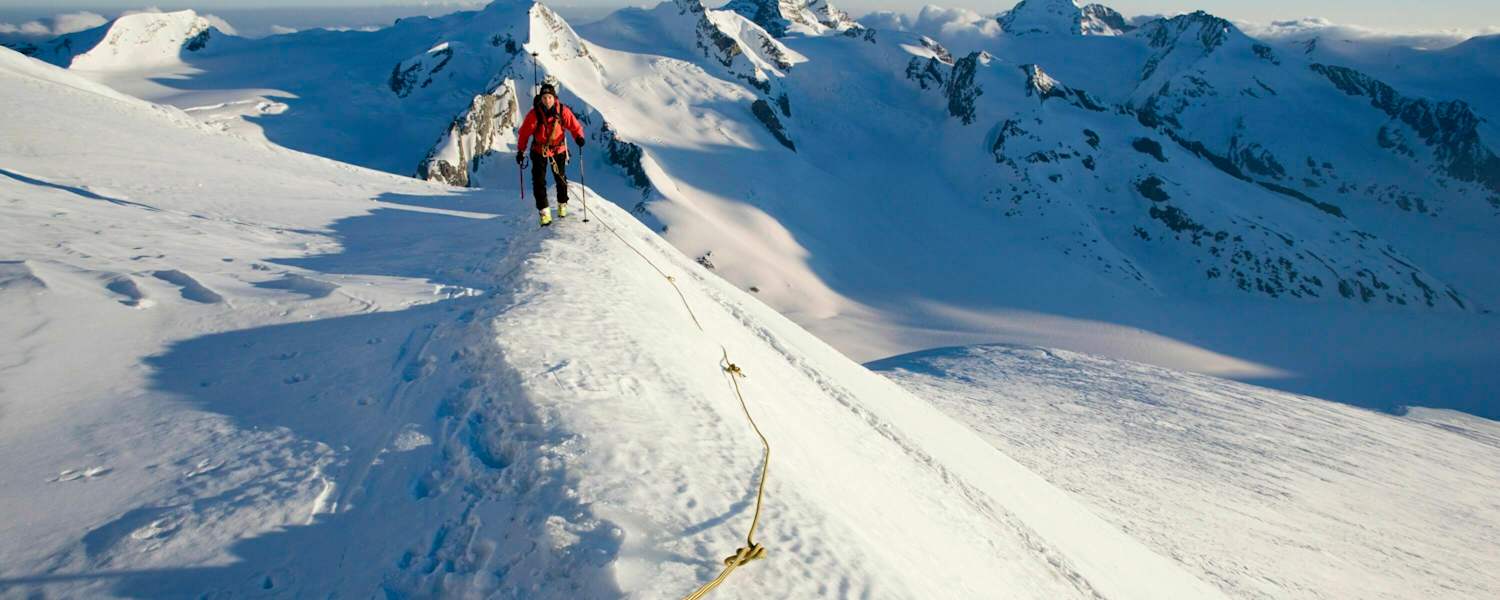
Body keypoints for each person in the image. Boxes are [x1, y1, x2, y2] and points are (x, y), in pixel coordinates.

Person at [516, 83, 586, 226]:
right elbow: (524, 133)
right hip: (539, 150)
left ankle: (562, 204)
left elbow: (574, 125)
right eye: (544, 97)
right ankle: (544, 213)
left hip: (558, 149)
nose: (547, 100)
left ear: (554, 98)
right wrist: (521, 151)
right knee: (539, 181)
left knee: (560, 179)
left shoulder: (562, 111)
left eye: (549, 97)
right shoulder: (534, 114)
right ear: (541, 99)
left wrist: (579, 136)